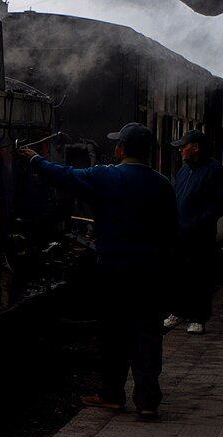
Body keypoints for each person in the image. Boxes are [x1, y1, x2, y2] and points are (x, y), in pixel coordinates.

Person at [19, 123, 179, 420]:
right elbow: (172, 234)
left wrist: (33, 158)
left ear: (121, 149)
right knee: (147, 335)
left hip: (114, 271)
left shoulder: (107, 176)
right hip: (150, 274)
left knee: (113, 334)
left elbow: (65, 176)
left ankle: (112, 395)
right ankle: (147, 401)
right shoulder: (163, 184)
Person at [162, 130, 223, 335]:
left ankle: (198, 318)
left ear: (195, 147)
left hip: (201, 236)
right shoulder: (183, 171)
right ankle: (177, 312)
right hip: (179, 234)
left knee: (200, 277)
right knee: (178, 275)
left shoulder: (214, 170)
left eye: (184, 146)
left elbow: (217, 205)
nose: (180, 150)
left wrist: (198, 223)